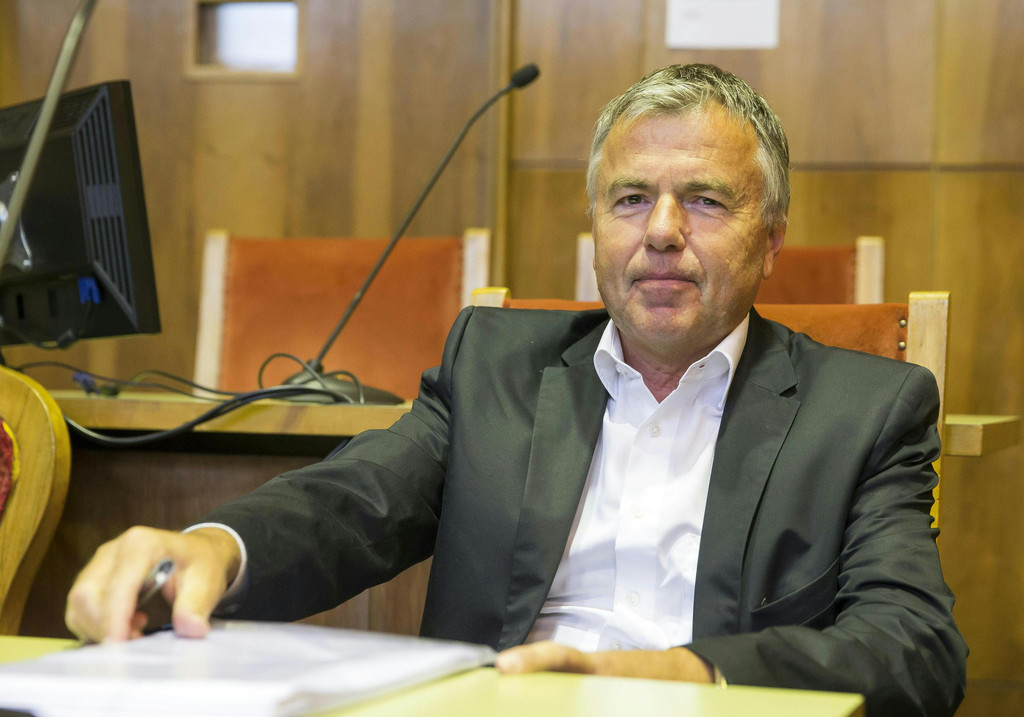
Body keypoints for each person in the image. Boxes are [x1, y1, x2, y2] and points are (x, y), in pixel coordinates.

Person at [66, 64, 966, 716]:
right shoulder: (494, 366)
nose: (660, 231)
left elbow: (916, 647)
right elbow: (354, 501)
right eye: (629, 199)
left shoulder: (865, 412)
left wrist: (683, 673)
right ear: (595, 227)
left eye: (703, 200)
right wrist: (212, 547)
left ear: (770, 238)